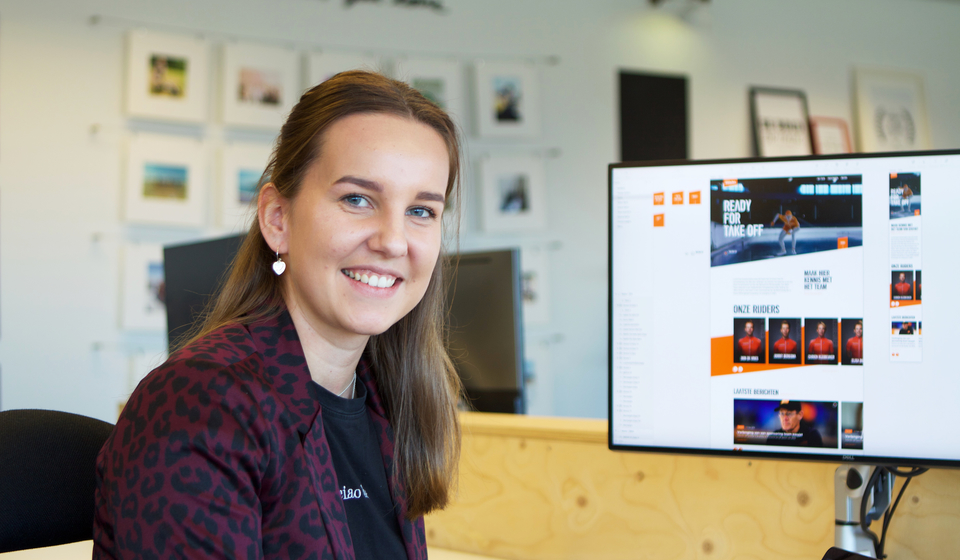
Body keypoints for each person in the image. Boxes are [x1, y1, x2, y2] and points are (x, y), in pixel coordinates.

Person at [93, 71, 464, 559]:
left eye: (421, 211)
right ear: (277, 218)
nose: (393, 241)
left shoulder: (386, 398)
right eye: (357, 199)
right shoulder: (204, 402)